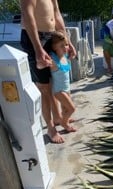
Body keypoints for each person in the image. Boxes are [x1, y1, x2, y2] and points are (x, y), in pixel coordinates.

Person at [20, 0, 76, 143]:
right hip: (35, 38)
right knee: (44, 87)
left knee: (52, 80)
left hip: (52, 37)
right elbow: (28, 14)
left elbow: (56, 15)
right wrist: (38, 49)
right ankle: (51, 128)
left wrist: (68, 43)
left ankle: (57, 117)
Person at [49, 31, 76, 132]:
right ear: (54, 47)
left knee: (66, 109)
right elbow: (44, 63)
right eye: (61, 46)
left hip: (67, 88)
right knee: (72, 108)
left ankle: (66, 119)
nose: (65, 48)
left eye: (66, 45)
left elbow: (70, 55)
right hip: (59, 91)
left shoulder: (65, 57)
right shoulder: (53, 60)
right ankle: (64, 123)